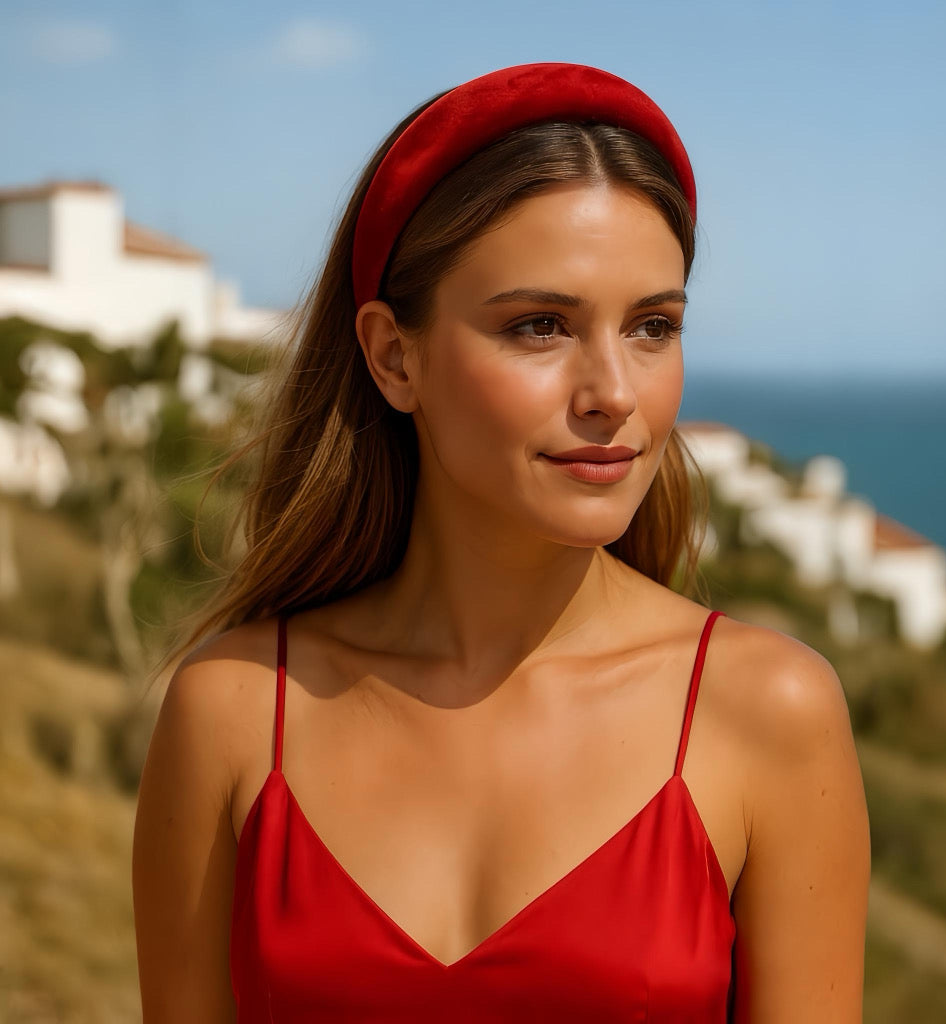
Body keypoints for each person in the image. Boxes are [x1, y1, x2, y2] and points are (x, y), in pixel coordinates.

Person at [132, 63, 870, 1022]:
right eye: (540, 326)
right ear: (395, 355)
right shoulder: (231, 714)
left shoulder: (767, 712)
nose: (613, 391)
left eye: (653, 326)